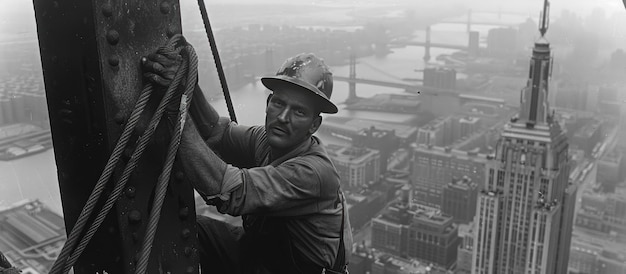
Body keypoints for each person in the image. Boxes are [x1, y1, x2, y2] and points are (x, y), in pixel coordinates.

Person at [142, 49, 353, 273]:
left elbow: (225, 191)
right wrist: (187, 84)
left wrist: (179, 106)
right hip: (265, 255)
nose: (283, 117)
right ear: (268, 103)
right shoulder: (266, 140)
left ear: (314, 126)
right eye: (279, 104)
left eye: (299, 112)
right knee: (188, 228)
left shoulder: (313, 173)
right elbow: (216, 131)